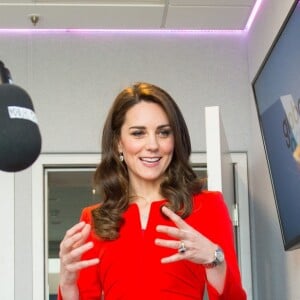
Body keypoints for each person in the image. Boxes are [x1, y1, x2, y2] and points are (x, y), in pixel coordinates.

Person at [58, 82, 247, 300]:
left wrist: (214, 259)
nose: (153, 145)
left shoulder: (207, 205)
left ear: (175, 140)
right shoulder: (94, 220)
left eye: (164, 133)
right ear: (119, 143)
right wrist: (67, 283)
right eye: (138, 133)